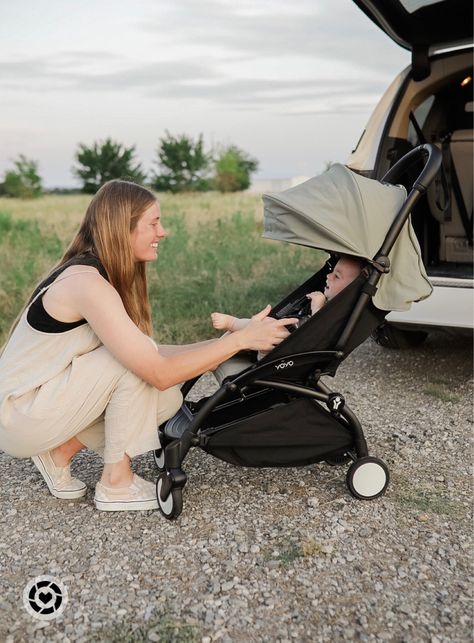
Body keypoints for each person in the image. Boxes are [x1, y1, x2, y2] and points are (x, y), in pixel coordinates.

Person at [0, 180, 296, 512]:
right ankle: (116, 484)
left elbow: (150, 353)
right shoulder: (87, 284)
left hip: (37, 405)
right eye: (154, 223)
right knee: (136, 373)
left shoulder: (97, 273)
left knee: (166, 398)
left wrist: (223, 345)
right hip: (20, 415)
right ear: (121, 229)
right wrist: (241, 340)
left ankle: (59, 452)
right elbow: (155, 370)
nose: (164, 231)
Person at [211, 255, 365, 333]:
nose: (328, 276)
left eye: (337, 276)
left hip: (282, 352)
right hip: (283, 339)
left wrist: (318, 308)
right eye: (332, 272)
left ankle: (233, 323)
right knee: (266, 324)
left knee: (266, 326)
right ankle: (234, 332)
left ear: (351, 290)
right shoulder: (333, 305)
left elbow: (319, 334)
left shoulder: (341, 313)